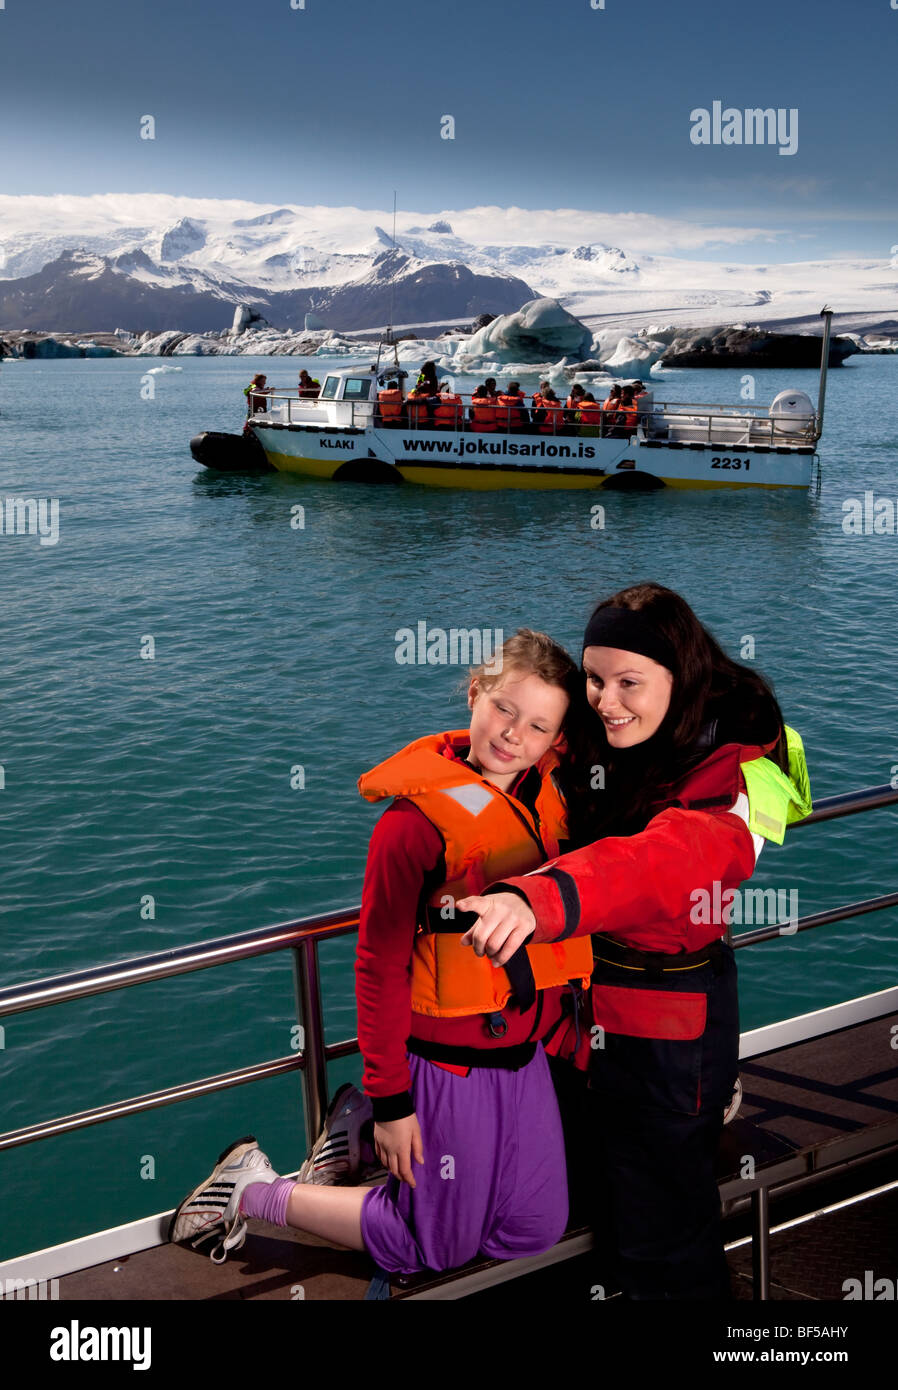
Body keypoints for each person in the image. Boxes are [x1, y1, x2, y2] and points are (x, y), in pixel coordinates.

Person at [169, 631, 593, 1279]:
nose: (514, 735)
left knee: (533, 1227)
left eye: (538, 726)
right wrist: (395, 1102)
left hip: (525, 1058)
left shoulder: (550, 796)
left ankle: (355, 1134)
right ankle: (252, 1189)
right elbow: (378, 968)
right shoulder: (414, 826)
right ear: (475, 694)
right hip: (448, 1068)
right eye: (504, 709)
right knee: (434, 1248)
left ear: (555, 741)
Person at [457, 584, 812, 1300]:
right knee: (590, 1201)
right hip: (584, 1012)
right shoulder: (611, 733)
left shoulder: (739, 771)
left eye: (629, 682)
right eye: (594, 678)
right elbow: (522, 736)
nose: (607, 700)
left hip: (668, 1022)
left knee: (664, 1239)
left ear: (678, 675)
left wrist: (536, 897)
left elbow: (663, 860)